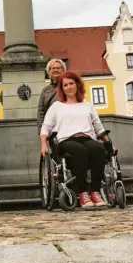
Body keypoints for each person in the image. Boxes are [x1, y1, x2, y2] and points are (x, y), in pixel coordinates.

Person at [40, 71, 113, 208]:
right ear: (62, 89)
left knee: (98, 149)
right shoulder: (56, 107)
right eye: (65, 85)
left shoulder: (87, 105)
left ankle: (96, 192)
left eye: (71, 83)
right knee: (80, 151)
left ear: (77, 85)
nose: (69, 87)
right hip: (66, 141)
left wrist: (109, 143)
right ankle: (82, 193)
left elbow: (98, 126)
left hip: (87, 138)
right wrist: (43, 144)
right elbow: (46, 127)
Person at [37, 59, 66, 134]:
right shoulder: (45, 90)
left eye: (58, 68)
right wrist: (41, 132)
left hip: (67, 125)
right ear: (49, 71)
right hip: (52, 129)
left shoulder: (68, 86)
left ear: (63, 70)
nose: (56, 70)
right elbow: (41, 112)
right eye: (53, 68)